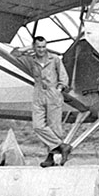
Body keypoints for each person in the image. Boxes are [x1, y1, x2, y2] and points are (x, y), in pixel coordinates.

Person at [11, 36, 72, 167]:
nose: (41, 49)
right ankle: (62, 146)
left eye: (44, 46)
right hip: (38, 94)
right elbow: (14, 53)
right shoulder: (31, 60)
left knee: (54, 127)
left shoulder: (54, 59)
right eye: (38, 47)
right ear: (34, 47)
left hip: (53, 93)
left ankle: (51, 158)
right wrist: (27, 48)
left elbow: (63, 76)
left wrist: (59, 89)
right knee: (37, 126)